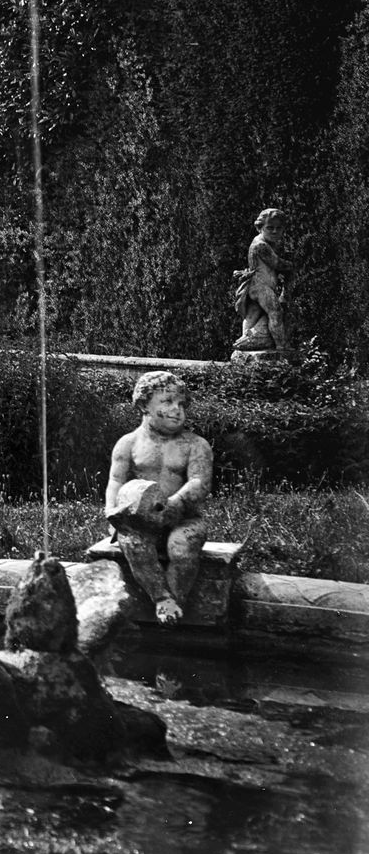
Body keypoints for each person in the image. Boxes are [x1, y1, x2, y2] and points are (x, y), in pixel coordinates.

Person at [104, 370, 213, 623]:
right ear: (144, 405)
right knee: (133, 543)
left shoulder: (195, 444)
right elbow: (115, 481)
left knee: (182, 548)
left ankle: (175, 602)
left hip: (184, 519)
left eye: (181, 404)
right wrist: (111, 510)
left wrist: (177, 502)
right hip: (140, 522)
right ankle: (161, 598)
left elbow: (200, 482)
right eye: (167, 402)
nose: (177, 410)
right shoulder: (128, 444)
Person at [231, 207, 290, 353]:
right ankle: (281, 347)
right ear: (260, 228)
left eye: (278, 228)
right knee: (275, 312)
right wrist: (292, 266)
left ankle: (244, 343)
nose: (275, 232)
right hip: (261, 286)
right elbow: (276, 263)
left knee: (252, 315)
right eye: (270, 228)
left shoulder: (264, 242)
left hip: (256, 285)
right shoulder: (261, 245)